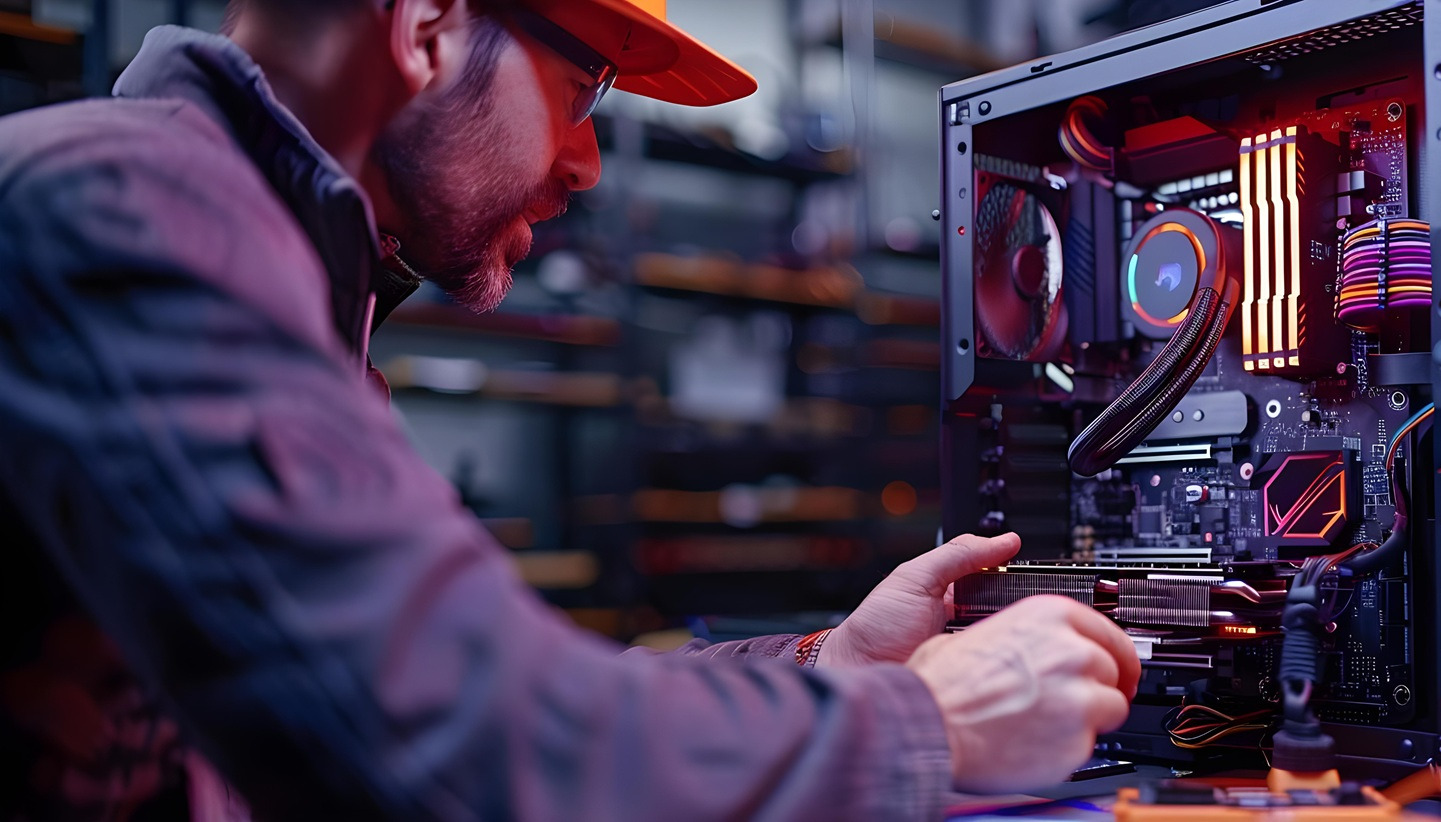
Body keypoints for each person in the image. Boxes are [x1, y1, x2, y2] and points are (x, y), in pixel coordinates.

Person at [0, 0, 1140, 817]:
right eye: (584, 86)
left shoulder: (287, 289)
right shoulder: (123, 211)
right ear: (427, 27)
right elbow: (460, 753)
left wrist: (829, 664)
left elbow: (499, 688)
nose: (588, 163)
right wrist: (927, 726)